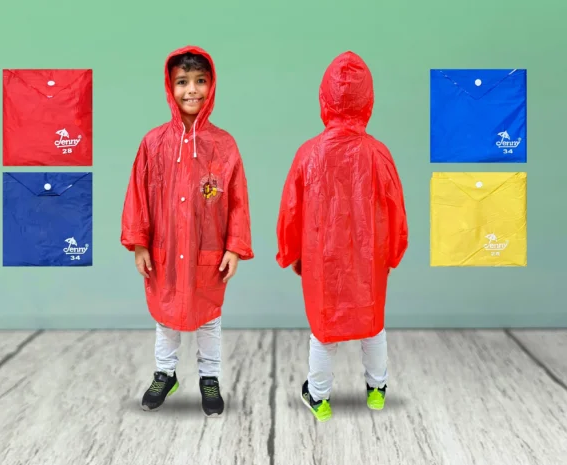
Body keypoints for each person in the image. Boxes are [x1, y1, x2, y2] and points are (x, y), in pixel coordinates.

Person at [275, 51, 408, 422]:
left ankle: (319, 397)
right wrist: (393, 253)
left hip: (322, 261)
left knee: (324, 330)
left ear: (325, 97)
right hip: (370, 261)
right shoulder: (379, 154)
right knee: (373, 325)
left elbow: (290, 210)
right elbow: (396, 209)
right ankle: (377, 389)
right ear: (368, 100)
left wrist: (291, 253)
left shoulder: (309, 154)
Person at [121, 45, 254, 417]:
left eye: (200, 81)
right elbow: (137, 195)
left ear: (212, 86)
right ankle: (165, 373)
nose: (191, 90)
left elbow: (238, 200)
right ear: (170, 87)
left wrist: (234, 246)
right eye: (182, 82)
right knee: (166, 315)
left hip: (206, 251)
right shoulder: (153, 143)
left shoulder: (224, 145)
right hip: (164, 249)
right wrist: (139, 243)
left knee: (209, 317)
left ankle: (209, 378)